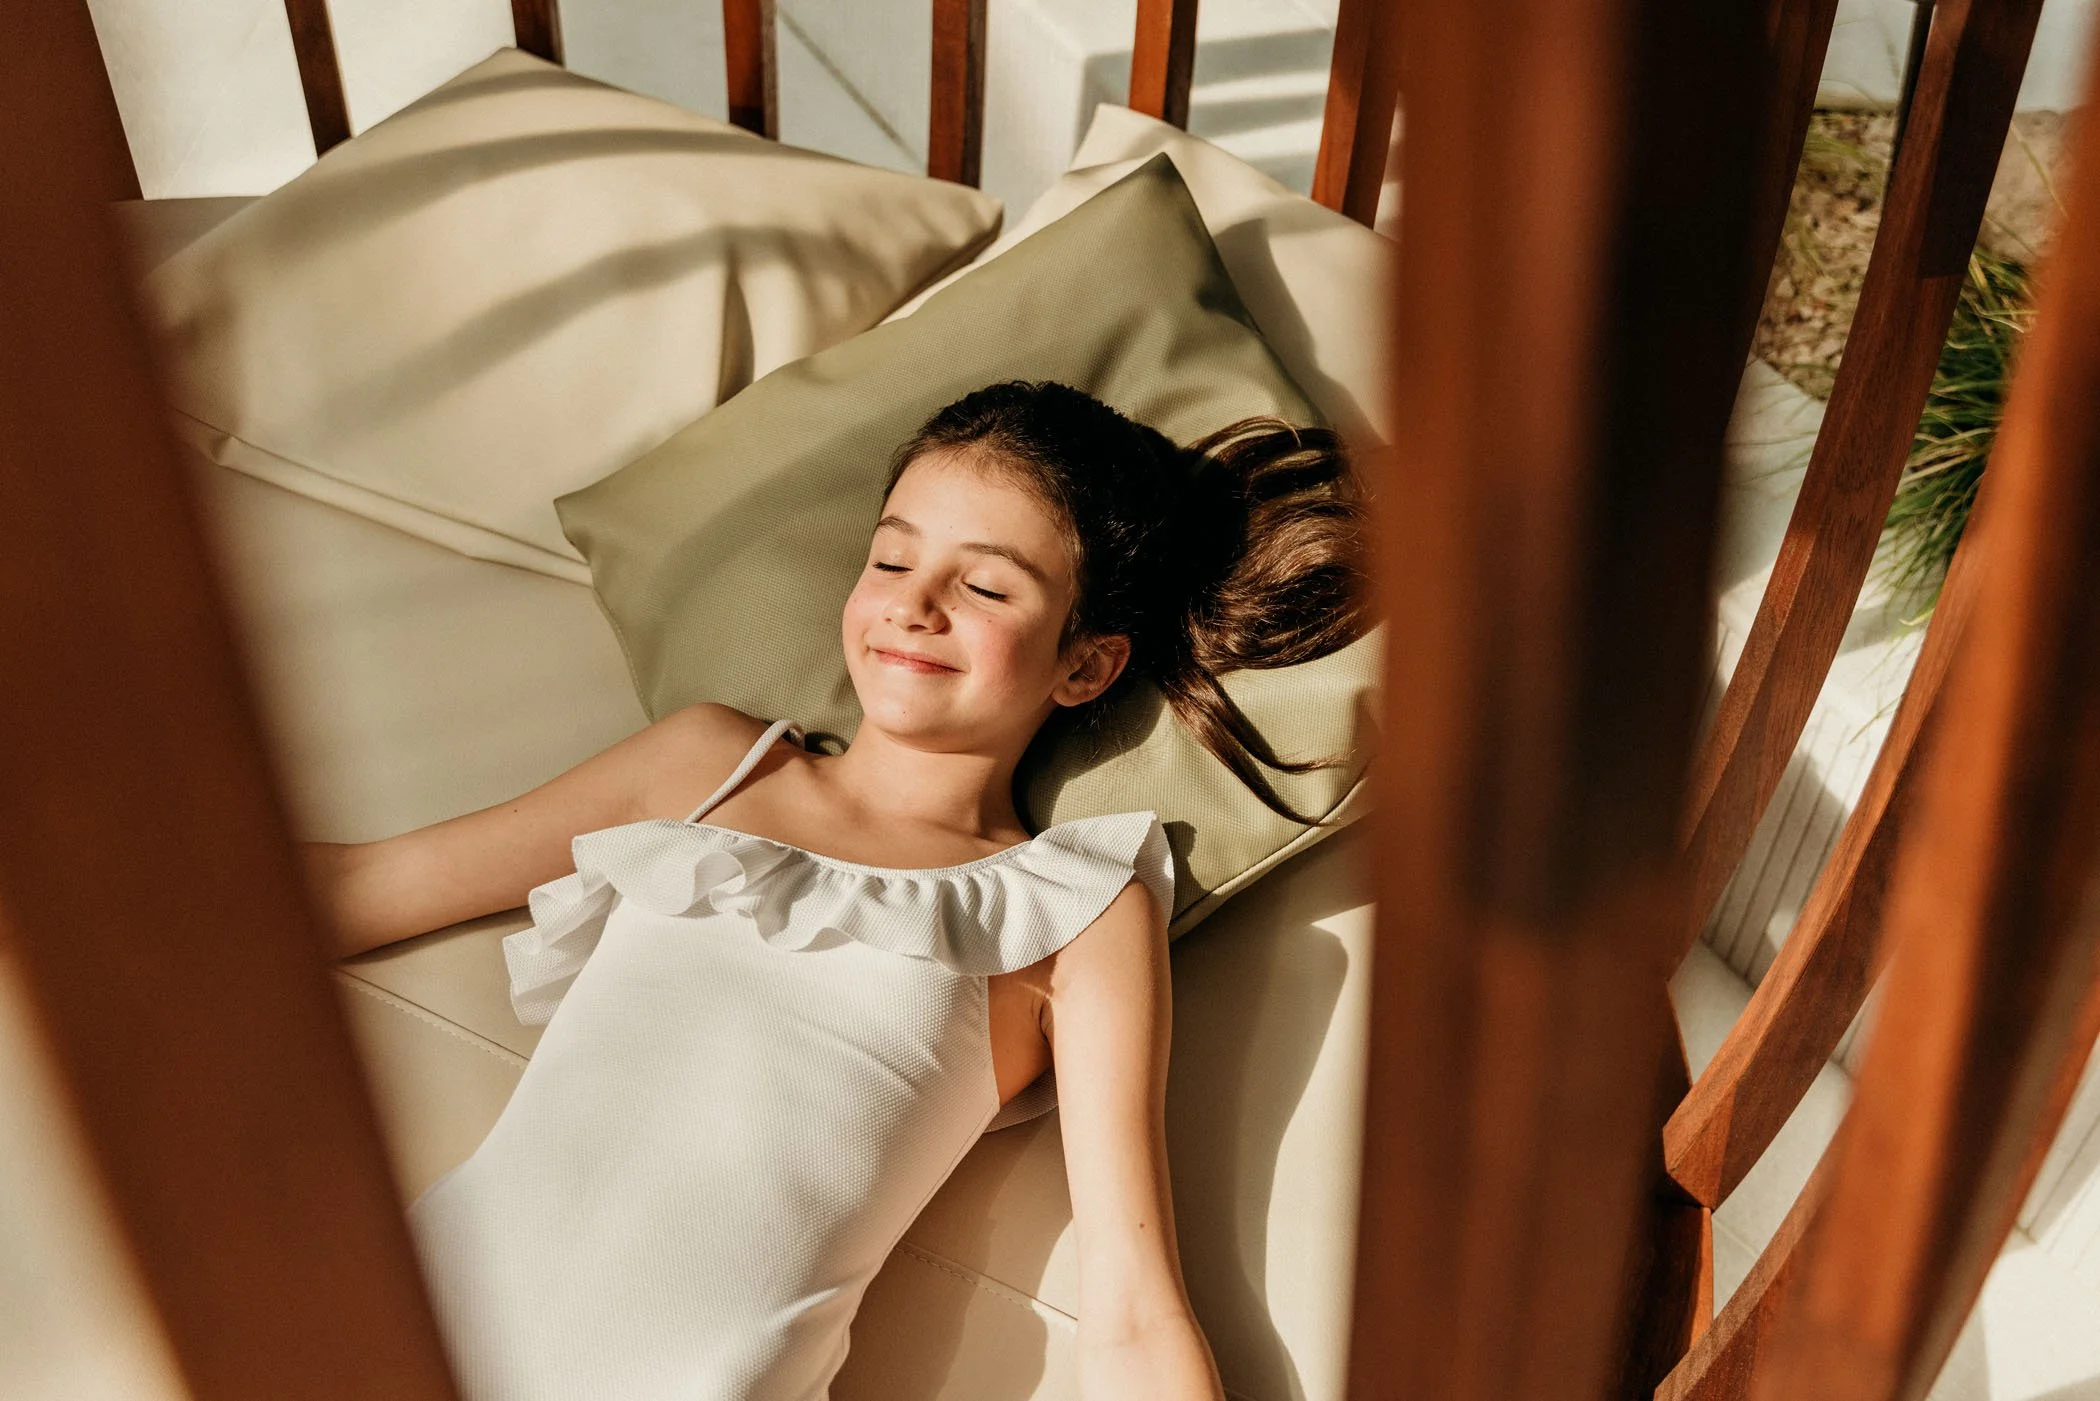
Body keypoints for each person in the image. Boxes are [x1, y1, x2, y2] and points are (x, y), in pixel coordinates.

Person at [301, 380, 1373, 1401]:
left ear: (1085, 667)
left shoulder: (1072, 909)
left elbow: (1135, 1311)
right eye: (891, 560)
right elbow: (366, 885)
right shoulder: (705, 766)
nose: (914, 606)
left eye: (986, 586)